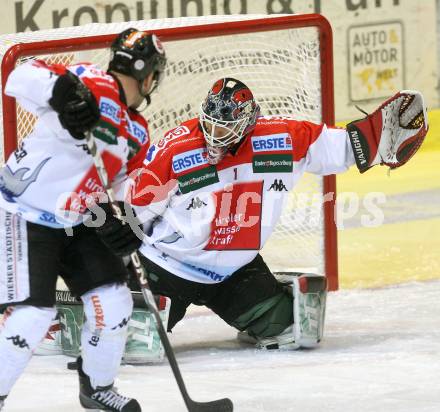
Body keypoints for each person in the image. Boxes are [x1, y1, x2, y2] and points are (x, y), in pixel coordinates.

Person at [96, 78, 428, 353]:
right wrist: (120, 225)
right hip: (167, 268)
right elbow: (136, 204)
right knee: (125, 344)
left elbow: (337, 148)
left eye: (224, 130)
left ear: (245, 124)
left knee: (294, 333)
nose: (214, 136)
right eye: (209, 125)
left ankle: (265, 297)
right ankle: (90, 305)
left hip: (235, 273)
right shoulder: (177, 148)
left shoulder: (281, 139)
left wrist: (374, 138)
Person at [0, 28, 166, 412]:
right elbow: (17, 77)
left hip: (79, 220)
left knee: (115, 301)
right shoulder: (88, 81)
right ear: (149, 75)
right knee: (32, 315)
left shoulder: (137, 130)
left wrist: (127, 223)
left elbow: (126, 185)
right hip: (25, 213)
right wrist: (62, 94)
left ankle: (97, 387)